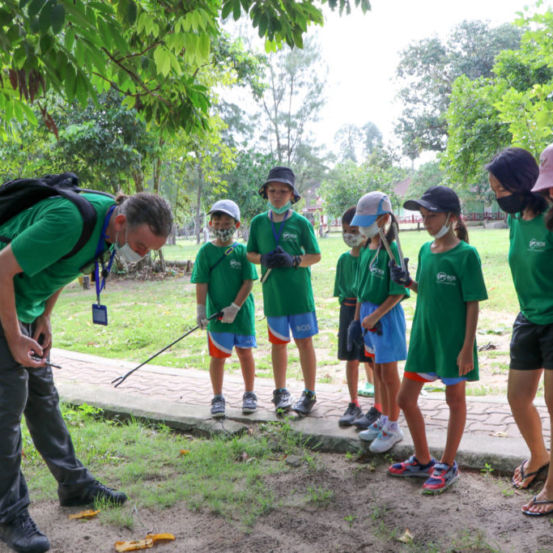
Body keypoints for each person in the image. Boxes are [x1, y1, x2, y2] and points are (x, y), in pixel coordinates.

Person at [0, 188, 173, 553]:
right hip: (4, 304)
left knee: (43, 398)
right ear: (123, 222)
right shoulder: (70, 221)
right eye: (141, 247)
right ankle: (10, 515)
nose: (141, 257)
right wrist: (15, 337)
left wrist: (45, 315)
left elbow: (62, 268)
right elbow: (1, 266)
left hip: (26, 308)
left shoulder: (110, 231)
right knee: (7, 406)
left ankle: (74, 486)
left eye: (149, 251)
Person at [388, 186, 487, 494]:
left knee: (454, 401)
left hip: (453, 342)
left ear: (452, 217)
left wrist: (467, 348)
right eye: (423, 216)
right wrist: (409, 282)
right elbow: (428, 291)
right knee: (405, 399)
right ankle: (422, 459)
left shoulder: (466, 255)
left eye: (432, 216)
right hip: (424, 338)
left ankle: (447, 463)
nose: (427, 222)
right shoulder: (424, 251)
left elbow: (472, 303)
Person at [486, 146, 553, 516]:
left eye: (502, 189)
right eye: (494, 190)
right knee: (518, 397)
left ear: (524, 183)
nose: (498, 197)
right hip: (528, 318)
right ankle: (539, 455)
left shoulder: (551, 218)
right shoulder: (515, 220)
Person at [246, 166, 321, 416]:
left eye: (283, 191)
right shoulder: (258, 223)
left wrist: (295, 260)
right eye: (272, 190)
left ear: (292, 195)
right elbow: (250, 254)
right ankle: (280, 391)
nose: (277, 195)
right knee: (278, 344)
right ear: (265, 193)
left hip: (300, 296)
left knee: (304, 343)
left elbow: (316, 255)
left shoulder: (300, 223)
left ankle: (309, 393)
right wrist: (263, 258)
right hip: (274, 296)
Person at [346, 192, 408, 453]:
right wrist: (356, 321)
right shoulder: (367, 248)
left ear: (383, 219)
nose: (361, 227)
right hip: (369, 319)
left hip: (385, 320)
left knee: (389, 374)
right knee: (378, 372)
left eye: (366, 221)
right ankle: (383, 418)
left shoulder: (391, 249)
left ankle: (394, 425)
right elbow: (360, 290)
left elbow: (398, 293)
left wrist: (374, 317)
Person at [191, 199, 258, 419]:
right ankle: (217, 397)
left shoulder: (242, 251)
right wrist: (201, 310)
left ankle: (249, 393)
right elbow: (201, 282)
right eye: (217, 220)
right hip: (216, 316)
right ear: (210, 224)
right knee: (218, 357)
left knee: (245, 354)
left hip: (242, 315)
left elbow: (249, 281)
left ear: (237, 225)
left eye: (226, 221)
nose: (221, 225)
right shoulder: (205, 252)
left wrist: (235, 307)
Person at [334, 206, 378, 428]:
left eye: (353, 230)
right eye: (345, 230)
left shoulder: (372, 255)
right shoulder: (343, 259)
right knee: (350, 357)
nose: (349, 235)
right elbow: (341, 291)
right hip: (348, 310)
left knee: (372, 357)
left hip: (369, 311)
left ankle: (379, 407)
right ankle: (353, 403)